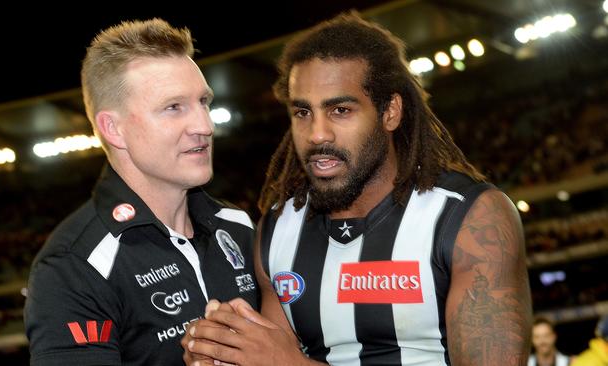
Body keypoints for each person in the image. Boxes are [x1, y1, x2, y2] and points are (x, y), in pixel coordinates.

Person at [183, 12, 532, 366]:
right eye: (303, 112)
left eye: (340, 110)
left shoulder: (469, 219)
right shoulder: (277, 232)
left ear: (390, 112)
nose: (317, 134)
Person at [23, 18, 259, 365]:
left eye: (203, 102)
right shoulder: (74, 266)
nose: (204, 126)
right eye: (173, 107)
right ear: (113, 129)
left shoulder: (238, 226)